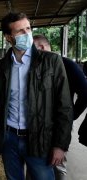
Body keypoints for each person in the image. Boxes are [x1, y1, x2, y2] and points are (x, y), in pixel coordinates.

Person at [0, 12, 73, 180]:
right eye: (21, 31)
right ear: (8, 37)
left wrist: (60, 145)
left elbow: (65, 106)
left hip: (39, 139)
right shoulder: (3, 65)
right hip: (9, 138)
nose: (27, 34)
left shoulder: (51, 62)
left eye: (28, 29)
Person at [33, 34, 87, 180]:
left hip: (59, 123)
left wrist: (71, 116)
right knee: (36, 162)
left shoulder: (68, 65)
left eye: (31, 50)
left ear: (42, 48)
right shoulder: (36, 66)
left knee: (57, 162)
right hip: (37, 123)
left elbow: (85, 93)